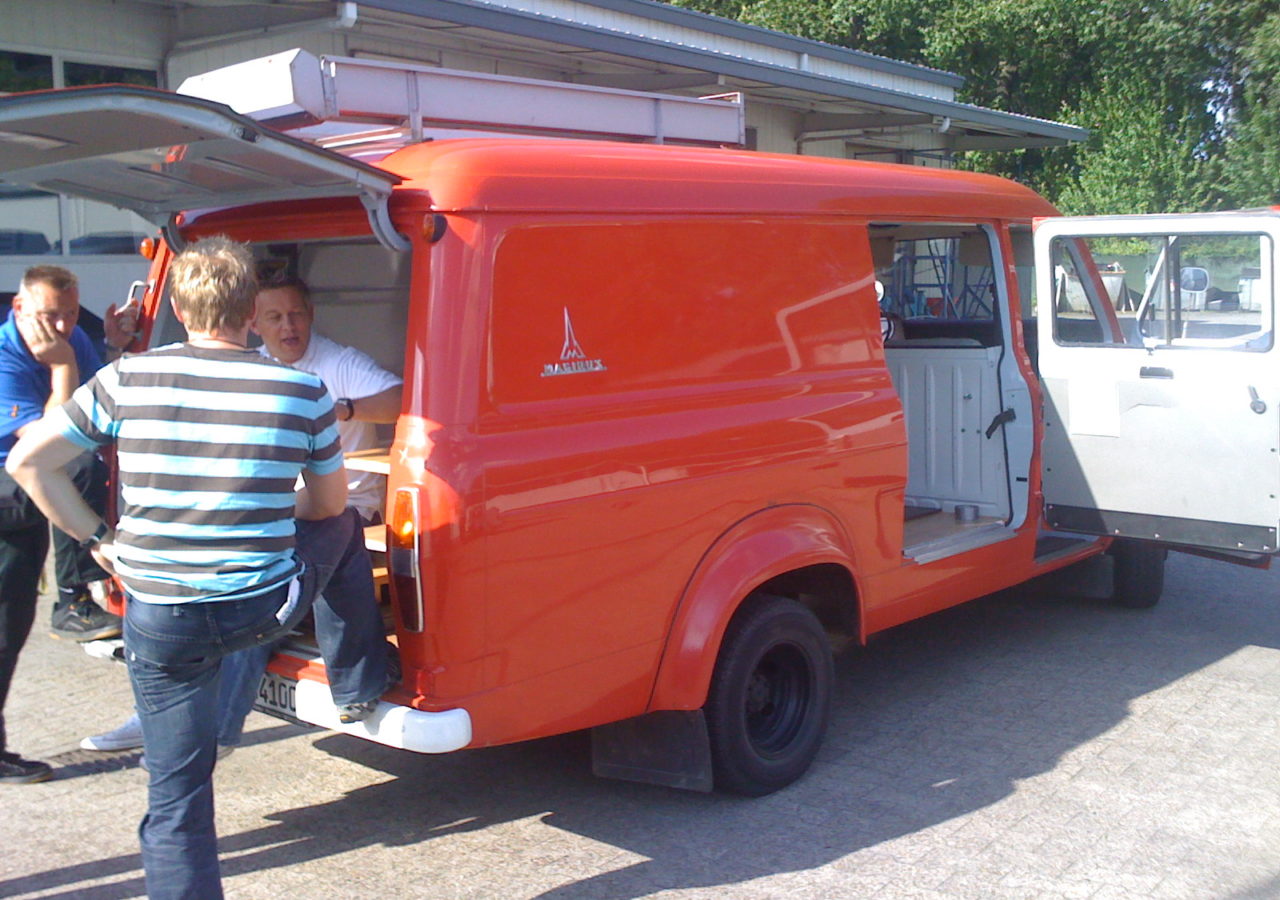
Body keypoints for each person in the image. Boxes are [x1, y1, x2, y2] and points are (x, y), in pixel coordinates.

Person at [6, 237, 388, 897]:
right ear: (249, 313)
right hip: (259, 605)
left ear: (179, 310)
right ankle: (358, 679)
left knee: (178, 793)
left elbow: (27, 464)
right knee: (348, 524)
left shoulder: (126, 378)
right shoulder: (303, 389)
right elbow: (326, 506)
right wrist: (265, 500)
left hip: (160, 612)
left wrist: (101, 540)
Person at [81, 270, 403, 753]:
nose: (287, 326)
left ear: (311, 315)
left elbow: (403, 399)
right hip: (273, 511)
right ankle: (157, 714)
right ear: (254, 323)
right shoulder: (258, 367)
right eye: (274, 317)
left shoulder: (338, 362)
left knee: (261, 587)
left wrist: (343, 409)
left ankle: (203, 726)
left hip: (342, 509)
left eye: (296, 314)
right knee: (206, 582)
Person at [0, 266, 134, 784]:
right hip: (11, 493)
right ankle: (74, 598)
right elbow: (55, 444)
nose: (59, 327)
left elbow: (103, 399)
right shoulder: (10, 355)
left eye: (70, 314)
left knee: (10, 629)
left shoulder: (75, 335)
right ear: (18, 309)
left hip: (31, 495)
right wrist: (61, 368)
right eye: (47, 315)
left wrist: (117, 348)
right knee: (77, 465)